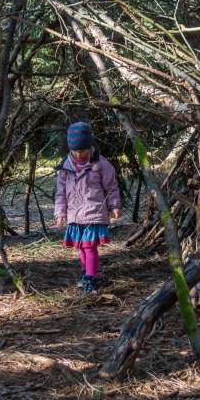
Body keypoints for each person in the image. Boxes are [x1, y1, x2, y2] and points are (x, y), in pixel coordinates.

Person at [54, 121, 121, 293]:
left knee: (89, 247)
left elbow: (111, 187)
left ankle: (91, 279)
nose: (78, 154)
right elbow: (60, 193)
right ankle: (86, 273)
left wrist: (114, 206)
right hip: (74, 215)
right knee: (81, 247)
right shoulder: (65, 168)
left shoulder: (101, 164)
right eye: (75, 151)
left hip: (94, 212)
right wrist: (60, 213)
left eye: (82, 150)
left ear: (89, 146)